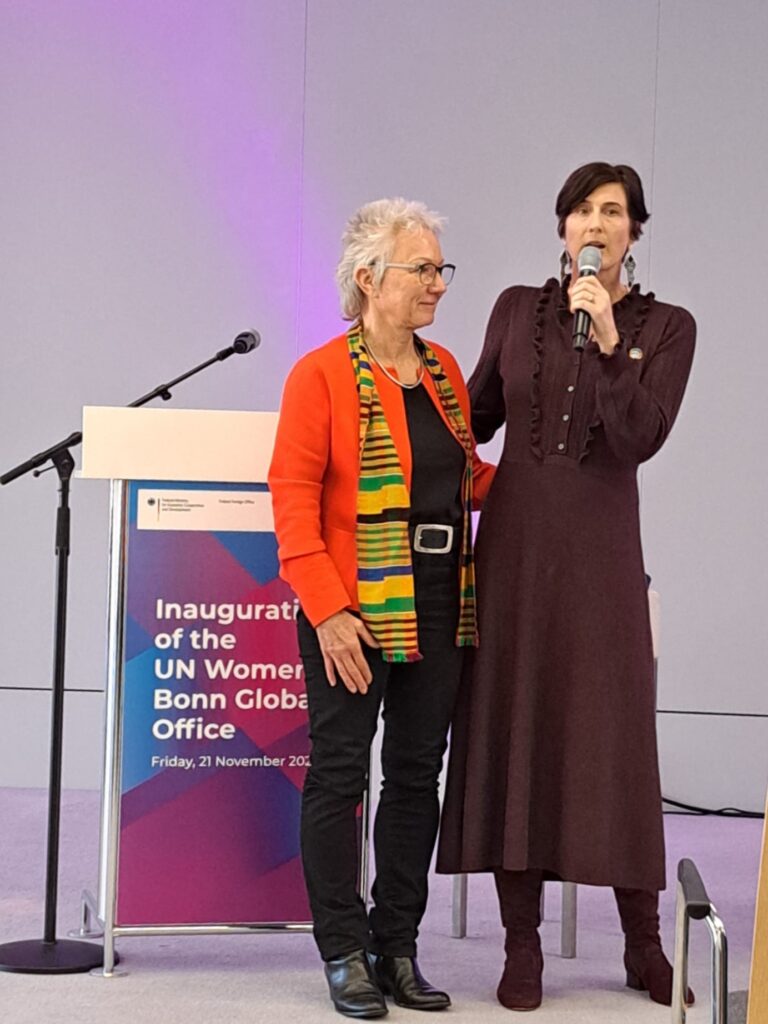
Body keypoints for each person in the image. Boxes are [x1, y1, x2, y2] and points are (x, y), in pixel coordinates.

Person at [437, 162, 696, 1012]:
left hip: (602, 559)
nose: (596, 223)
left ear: (633, 234)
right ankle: (523, 948)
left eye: (613, 212)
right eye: (583, 209)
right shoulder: (517, 309)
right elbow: (471, 417)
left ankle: (643, 945)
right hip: (513, 553)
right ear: (561, 229)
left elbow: (640, 435)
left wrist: (613, 338)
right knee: (519, 726)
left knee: (611, 740)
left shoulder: (665, 327)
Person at [269, 198, 495, 1019]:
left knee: (411, 777)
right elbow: (292, 501)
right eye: (423, 269)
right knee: (339, 774)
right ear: (370, 279)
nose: (438, 284)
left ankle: (395, 946)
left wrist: (541, 496)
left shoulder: (443, 374)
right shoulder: (320, 374)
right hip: (352, 609)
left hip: (439, 600)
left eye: (442, 269)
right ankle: (342, 952)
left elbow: (462, 479)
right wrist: (328, 611)